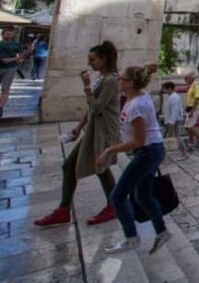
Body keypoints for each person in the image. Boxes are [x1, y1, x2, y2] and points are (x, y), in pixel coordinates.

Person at [34, 41, 121, 227]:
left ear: (104, 59)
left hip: (104, 131)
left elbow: (97, 106)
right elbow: (92, 109)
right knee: (71, 166)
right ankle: (64, 209)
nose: (90, 63)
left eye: (93, 60)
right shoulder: (103, 78)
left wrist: (87, 86)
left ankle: (113, 205)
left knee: (101, 167)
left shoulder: (112, 80)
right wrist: (80, 126)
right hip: (94, 129)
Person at [100, 64, 170, 255]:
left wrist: (109, 150)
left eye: (121, 79)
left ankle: (131, 238)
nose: (118, 81)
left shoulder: (137, 105)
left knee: (118, 196)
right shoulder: (138, 96)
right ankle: (162, 232)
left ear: (130, 83)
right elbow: (141, 74)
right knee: (143, 195)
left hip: (147, 152)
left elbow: (138, 140)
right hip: (151, 150)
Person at [0, 27, 27, 117]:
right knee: (5, 89)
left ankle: (0, 107)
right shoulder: (1, 44)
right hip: (7, 67)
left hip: (10, 68)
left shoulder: (16, 44)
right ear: (3, 34)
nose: (9, 35)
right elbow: (4, 60)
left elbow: (22, 55)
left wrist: (22, 57)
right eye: (7, 34)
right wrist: (17, 59)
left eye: (10, 34)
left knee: (5, 88)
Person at [161, 81, 189, 158]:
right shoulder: (173, 96)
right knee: (167, 135)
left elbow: (175, 110)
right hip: (172, 119)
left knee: (176, 136)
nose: (164, 91)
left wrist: (171, 122)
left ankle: (184, 151)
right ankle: (183, 151)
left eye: (165, 89)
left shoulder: (174, 97)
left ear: (170, 88)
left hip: (174, 120)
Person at [183, 74, 199, 149]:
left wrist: (192, 111)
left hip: (194, 108)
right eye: (185, 79)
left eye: (186, 79)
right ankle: (191, 143)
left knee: (190, 126)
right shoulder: (191, 86)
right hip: (189, 108)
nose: (185, 81)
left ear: (191, 78)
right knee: (187, 127)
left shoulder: (196, 86)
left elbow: (197, 99)